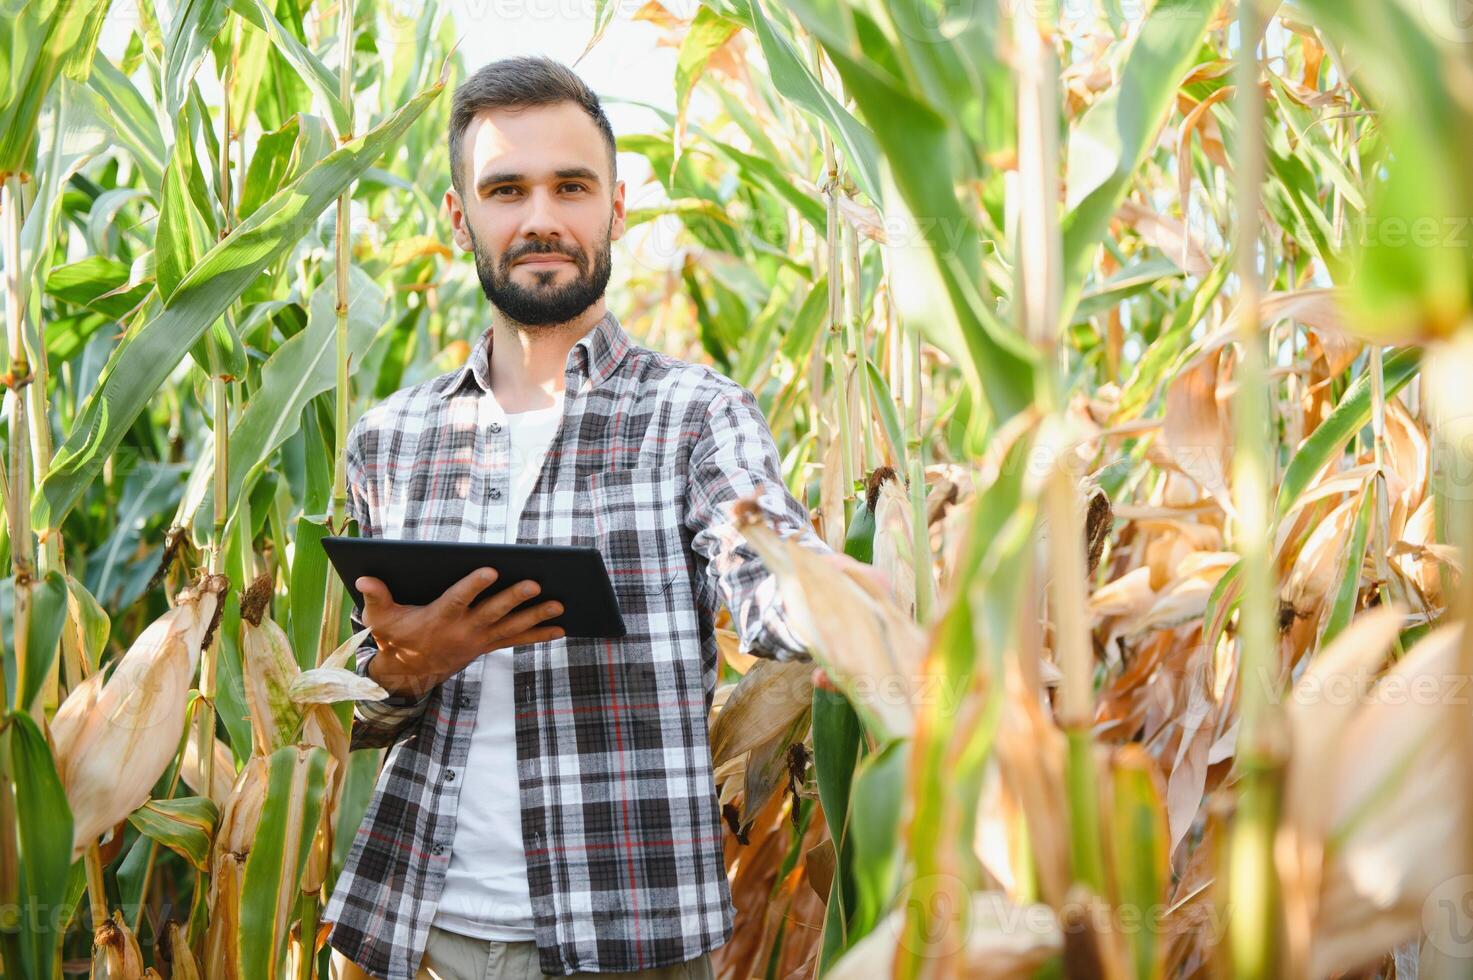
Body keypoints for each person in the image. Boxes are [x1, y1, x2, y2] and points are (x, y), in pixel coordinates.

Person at [321, 55, 878, 980]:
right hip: (417, 932)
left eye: (570, 186)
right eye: (506, 190)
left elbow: (761, 559)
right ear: (463, 218)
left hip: (630, 933)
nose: (541, 218)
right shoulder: (391, 438)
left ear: (615, 208)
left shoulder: (695, 414)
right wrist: (401, 671)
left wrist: (843, 603)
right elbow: (358, 696)